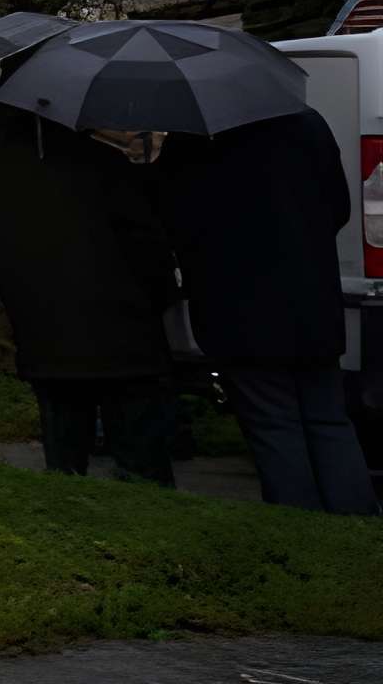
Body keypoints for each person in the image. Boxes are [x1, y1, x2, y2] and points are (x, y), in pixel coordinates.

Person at [158, 112, 378, 515]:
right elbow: (339, 207)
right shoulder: (306, 122)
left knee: (274, 427)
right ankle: (356, 533)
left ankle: (300, 537)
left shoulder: (192, 139)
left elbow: (173, 221)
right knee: (329, 422)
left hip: (237, 310)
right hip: (312, 301)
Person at [0, 111, 177, 486]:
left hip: (46, 339)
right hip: (125, 337)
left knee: (65, 474)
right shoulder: (105, 165)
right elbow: (151, 253)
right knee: (144, 471)